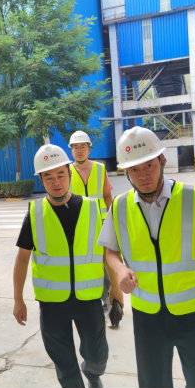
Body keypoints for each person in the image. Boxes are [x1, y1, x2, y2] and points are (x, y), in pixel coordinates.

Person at [99, 127, 195, 388]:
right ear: (126, 172)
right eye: (134, 169)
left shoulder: (192, 198)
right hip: (147, 316)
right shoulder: (119, 206)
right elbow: (110, 251)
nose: (143, 175)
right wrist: (119, 270)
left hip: (192, 313)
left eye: (149, 165)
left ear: (162, 161)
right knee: (153, 384)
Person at [13, 144, 118, 388]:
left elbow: (106, 251)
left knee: (97, 355)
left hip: (89, 298)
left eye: (60, 174)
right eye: (48, 176)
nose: (56, 181)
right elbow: (22, 258)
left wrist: (115, 287)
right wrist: (18, 299)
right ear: (41, 180)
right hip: (52, 303)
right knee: (63, 360)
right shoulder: (35, 212)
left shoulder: (92, 208)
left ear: (70, 174)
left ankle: (93, 374)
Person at [68, 130, 123, 327]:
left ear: (89, 148)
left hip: (102, 224)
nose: (79, 151)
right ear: (71, 150)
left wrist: (112, 220)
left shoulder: (100, 169)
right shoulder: (67, 171)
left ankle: (112, 305)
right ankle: (93, 303)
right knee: (87, 265)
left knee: (107, 264)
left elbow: (107, 195)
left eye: (82, 146)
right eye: (75, 147)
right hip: (80, 227)